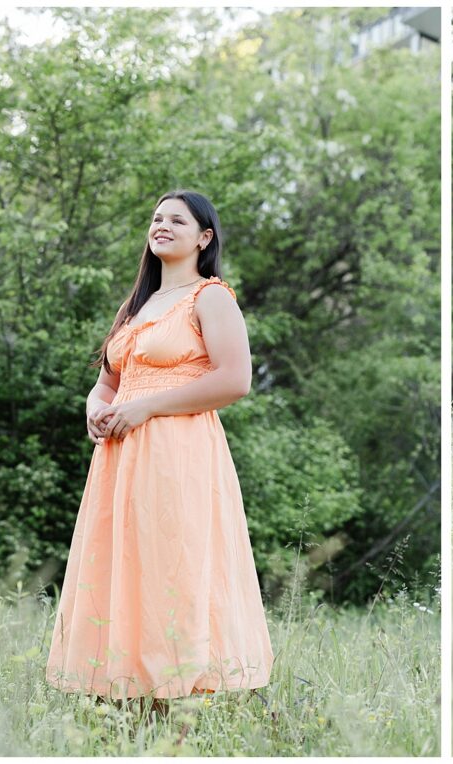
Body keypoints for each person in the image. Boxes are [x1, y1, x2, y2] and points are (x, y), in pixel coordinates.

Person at [46, 190, 274, 702]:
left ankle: (180, 690)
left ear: (204, 237)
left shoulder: (210, 296)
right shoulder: (138, 305)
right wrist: (94, 406)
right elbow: (108, 382)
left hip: (179, 450)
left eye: (177, 219)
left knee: (173, 559)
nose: (162, 225)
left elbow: (235, 380)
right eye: (156, 218)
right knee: (122, 560)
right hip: (120, 457)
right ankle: (123, 689)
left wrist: (147, 407)